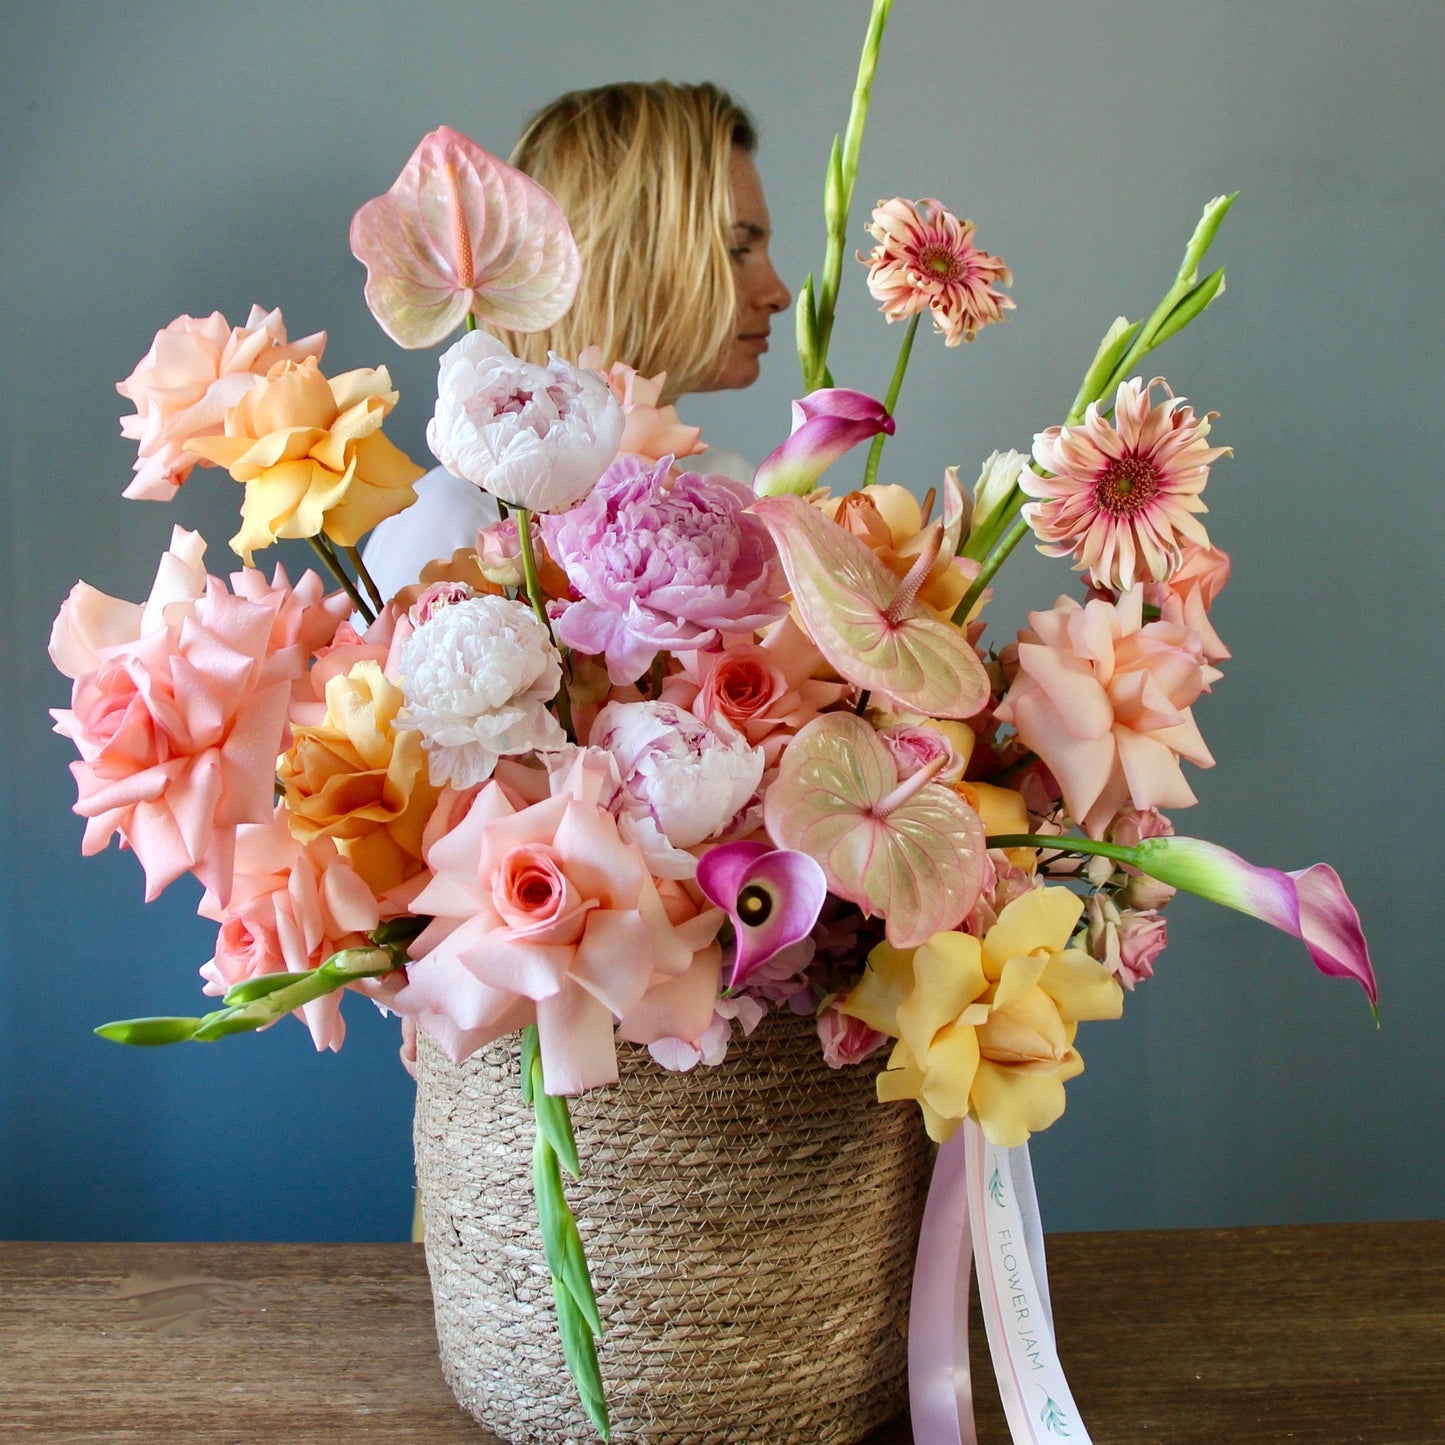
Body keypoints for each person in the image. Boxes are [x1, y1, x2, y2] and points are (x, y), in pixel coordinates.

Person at [362, 80, 791, 604]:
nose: (778, 293)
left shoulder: (731, 493)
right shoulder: (455, 520)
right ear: (625, 256)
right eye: (736, 249)